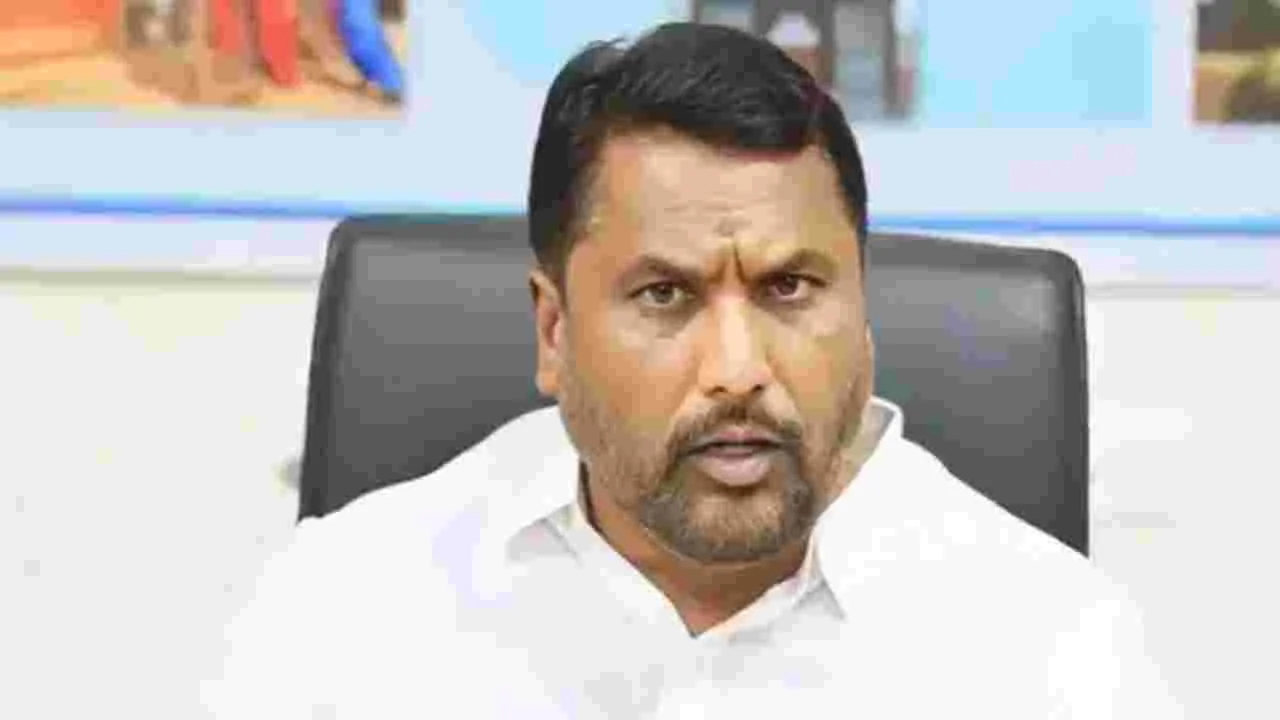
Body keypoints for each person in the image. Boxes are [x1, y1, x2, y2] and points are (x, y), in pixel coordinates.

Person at [205, 22, 1181, 718]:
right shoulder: (346, 609)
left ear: (863, 312)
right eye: (664, 295)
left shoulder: (1053, 651)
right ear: (553, 331)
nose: (737, 369)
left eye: (790, 288)